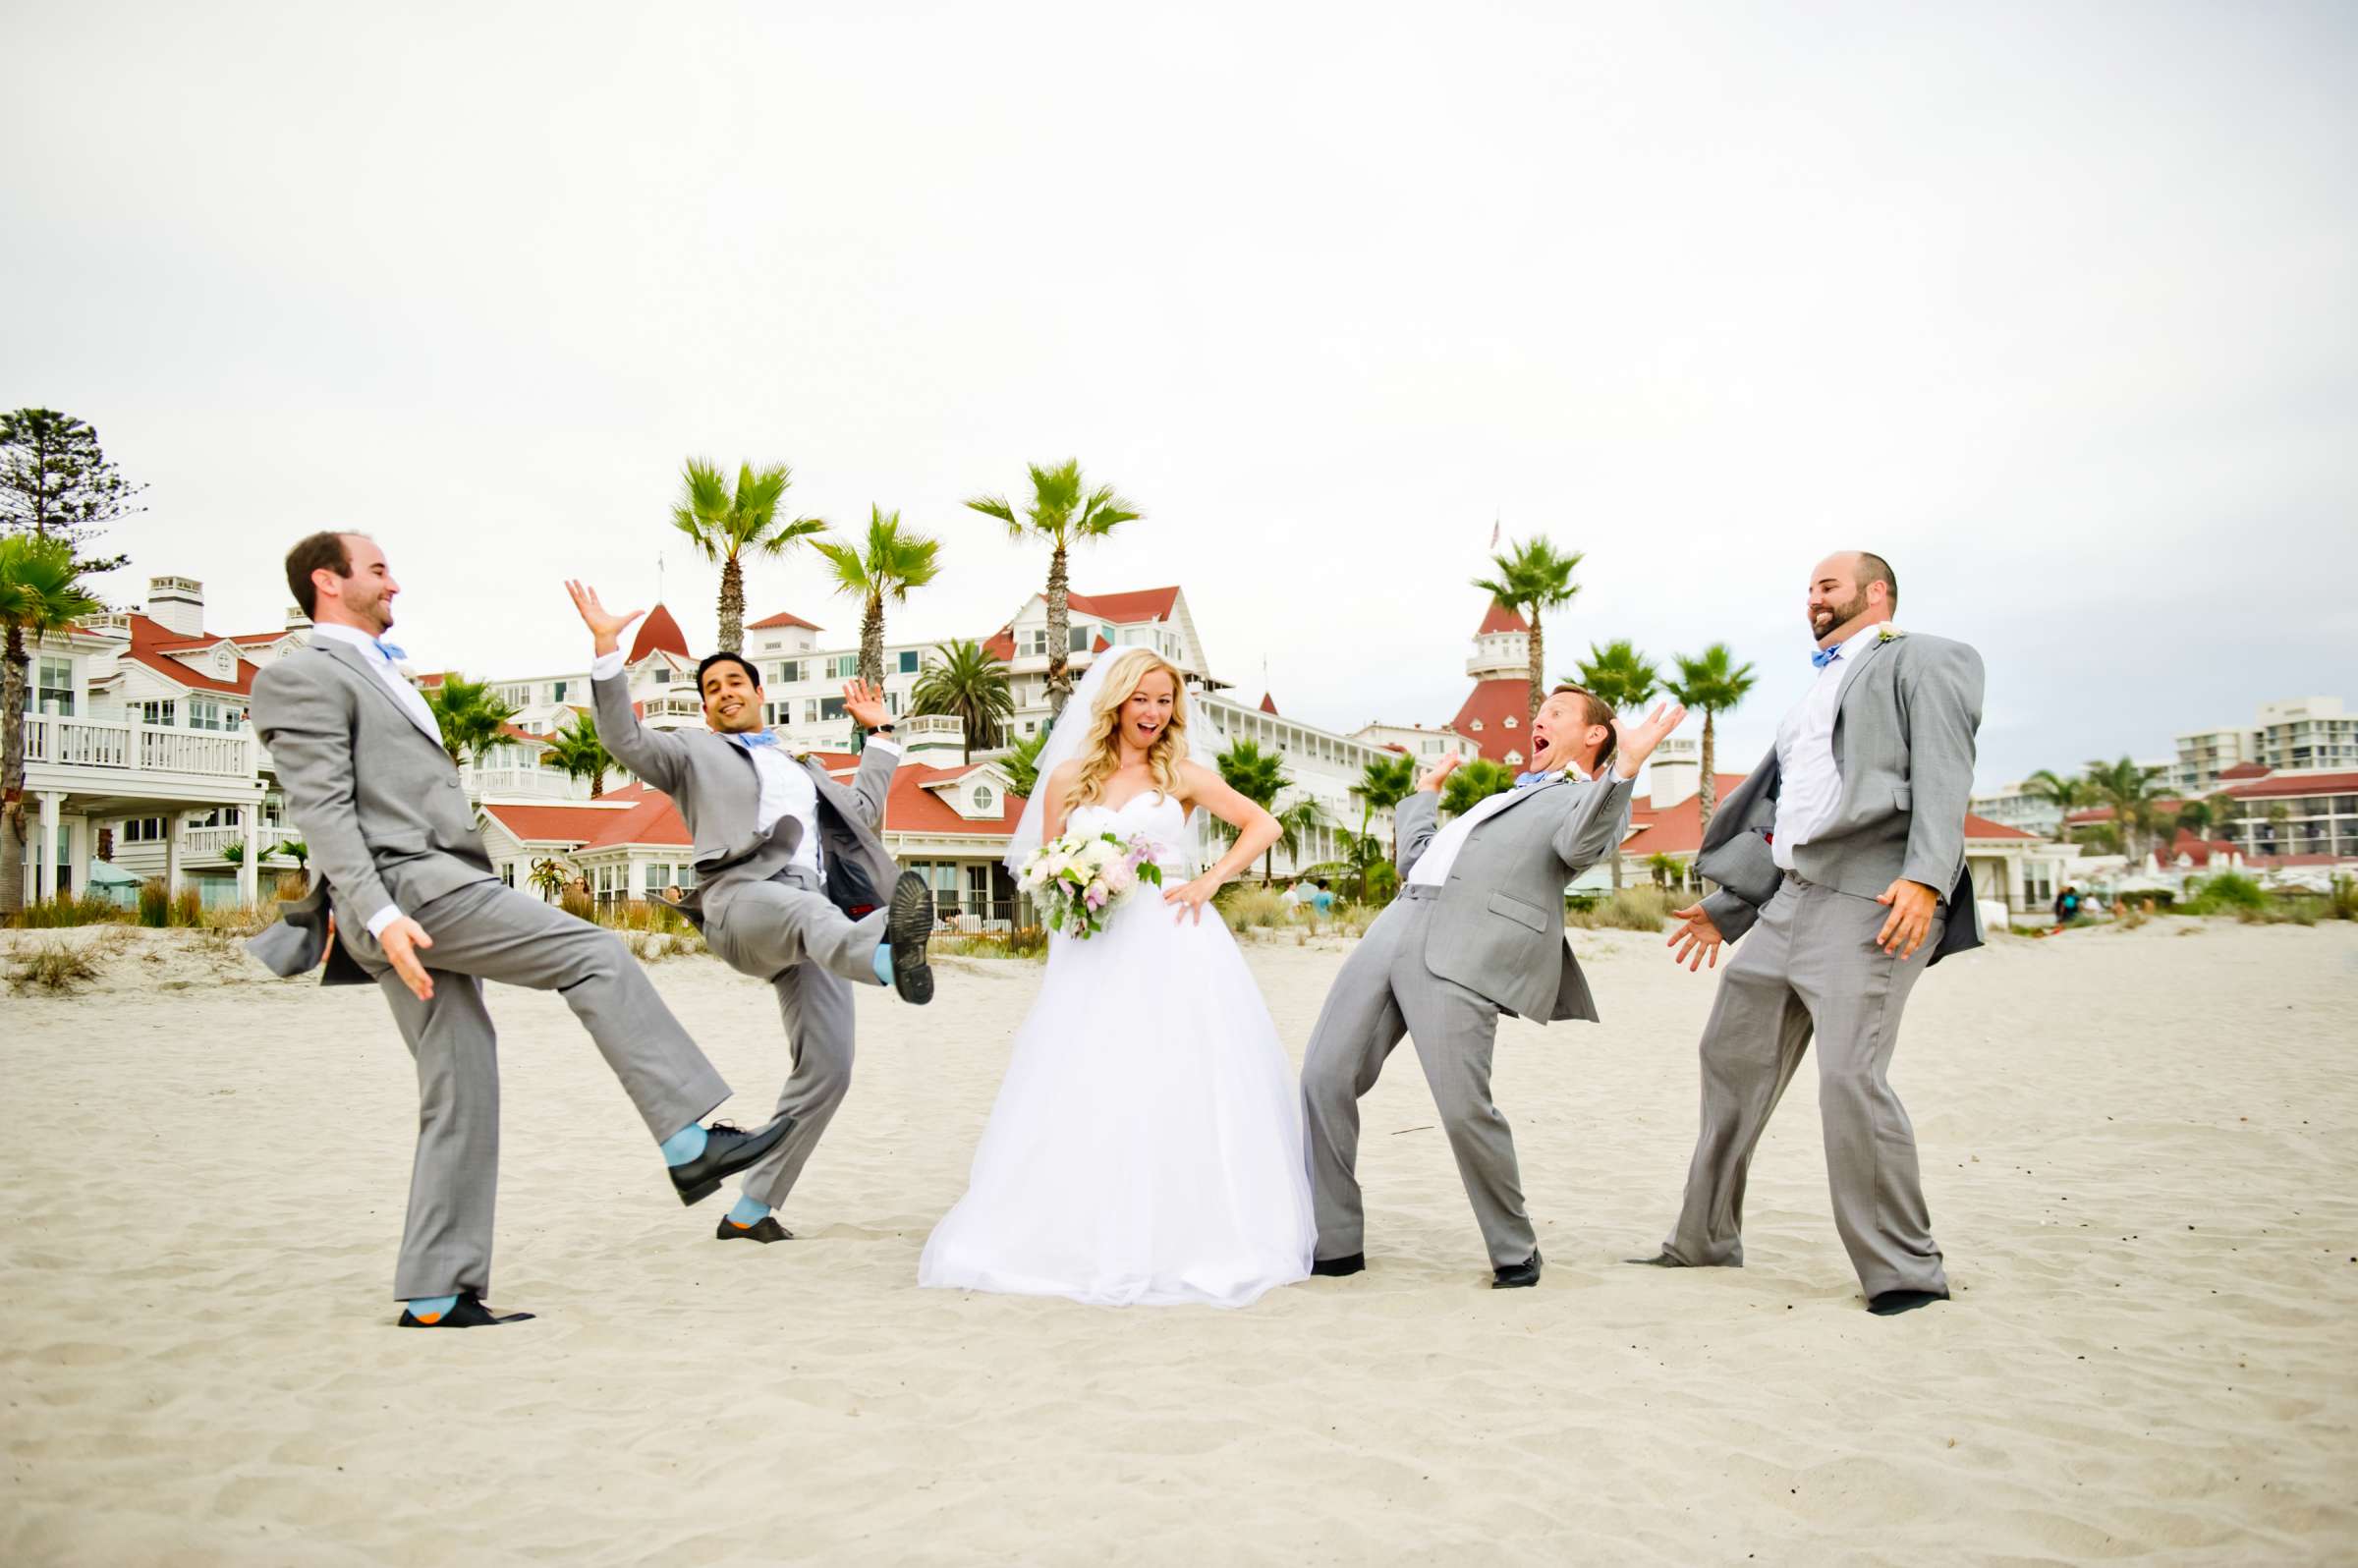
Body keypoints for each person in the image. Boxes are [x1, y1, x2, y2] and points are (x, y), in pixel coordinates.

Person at [246, 533, 791, 1328]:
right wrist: (381, 912)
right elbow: (321, 809)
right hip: (410, 892)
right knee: (593, 949)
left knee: (461, 1079)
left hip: (423, 894)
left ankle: (437, 1294)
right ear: (328, 583)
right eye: (377, 568)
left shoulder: (380, 668)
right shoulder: (300, 674)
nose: (393, 579)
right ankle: (686, 1140)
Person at [1632, 551, 1983, 1316]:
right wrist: (1732, 908)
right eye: (1809, 589)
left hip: (1871, 897)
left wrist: (1926, 878)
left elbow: (1947, 771)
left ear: (1876, 592)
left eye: (1828, 585)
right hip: (1790, 902)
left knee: (1848, 1078)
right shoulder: (1818, 689)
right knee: (1729, 1055)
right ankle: (1705, 1238)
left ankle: (1904, 1271)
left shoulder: (1923, 658)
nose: (1813, 599)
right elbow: (1790, 815)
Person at [919, 648, 1317, 1307]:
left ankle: (1185, 1230)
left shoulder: (1182, 774)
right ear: (1116, 702)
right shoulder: (1069, 776)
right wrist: (1068, 897)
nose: (1154, 713)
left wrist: (1209, 880)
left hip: (1171, 942)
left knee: (1174, 1073)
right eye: (1143, 700)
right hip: (1093, 949)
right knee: (1089, 1074)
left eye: (1165, 701)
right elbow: (1043, 864)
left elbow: (1261, 823)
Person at [567, 581, 936, 1245]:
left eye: (735, 682)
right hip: (743, 900)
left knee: (830, 1067)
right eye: (712, 689)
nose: (724, 693)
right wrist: (605, 650)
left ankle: (751, 1209)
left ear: (759, 693)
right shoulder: (689, 753)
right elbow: (623, 737)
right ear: (706, 707)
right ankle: (884, 955)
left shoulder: (803, 764)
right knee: (805, 914)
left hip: (816, 918)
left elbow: (861, 817)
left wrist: (880, 736)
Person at [1300, 689, 1687, 1288]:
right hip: (1394, 925)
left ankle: (1514, 1247)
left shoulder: (1588, 800)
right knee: (1323, 1076)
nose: (1541, 718)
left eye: (1557, 712)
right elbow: (1418, 862)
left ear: (1594, 737)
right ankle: (1336, 1239)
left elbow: (1581, 847)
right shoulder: (1502, 798)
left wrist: (1626, 771)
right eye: (1540, 713)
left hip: (1466, 950)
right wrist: (1425, 797)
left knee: (1462, 1108)